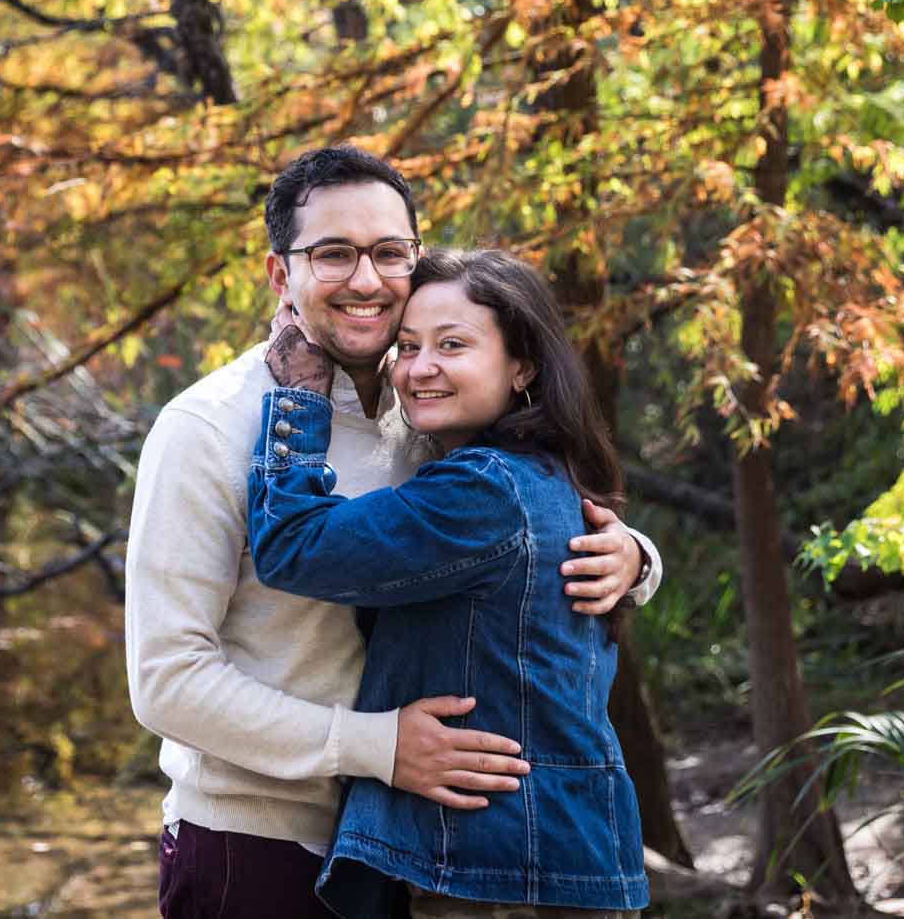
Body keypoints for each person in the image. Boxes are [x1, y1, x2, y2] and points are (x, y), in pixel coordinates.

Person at [125, 146, 660, 918]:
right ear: (282, 275)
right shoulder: (209, 429)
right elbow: (166, 681)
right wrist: (379, 747)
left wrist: (634, 558)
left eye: (388, 252)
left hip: (413, 849)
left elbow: (514, 535)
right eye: (334, 254)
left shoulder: (431, 418)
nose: (368, 279)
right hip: (259, 842)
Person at [249, 248, 649, 918]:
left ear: (522, 364)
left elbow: (294, 546)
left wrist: (297, 397)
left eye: (452, 344)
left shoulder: (482, 488)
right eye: (406, 346)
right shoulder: (543, 475)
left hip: (497, 868)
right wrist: (641, 558)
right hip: (540, 857)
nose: (420, 367)